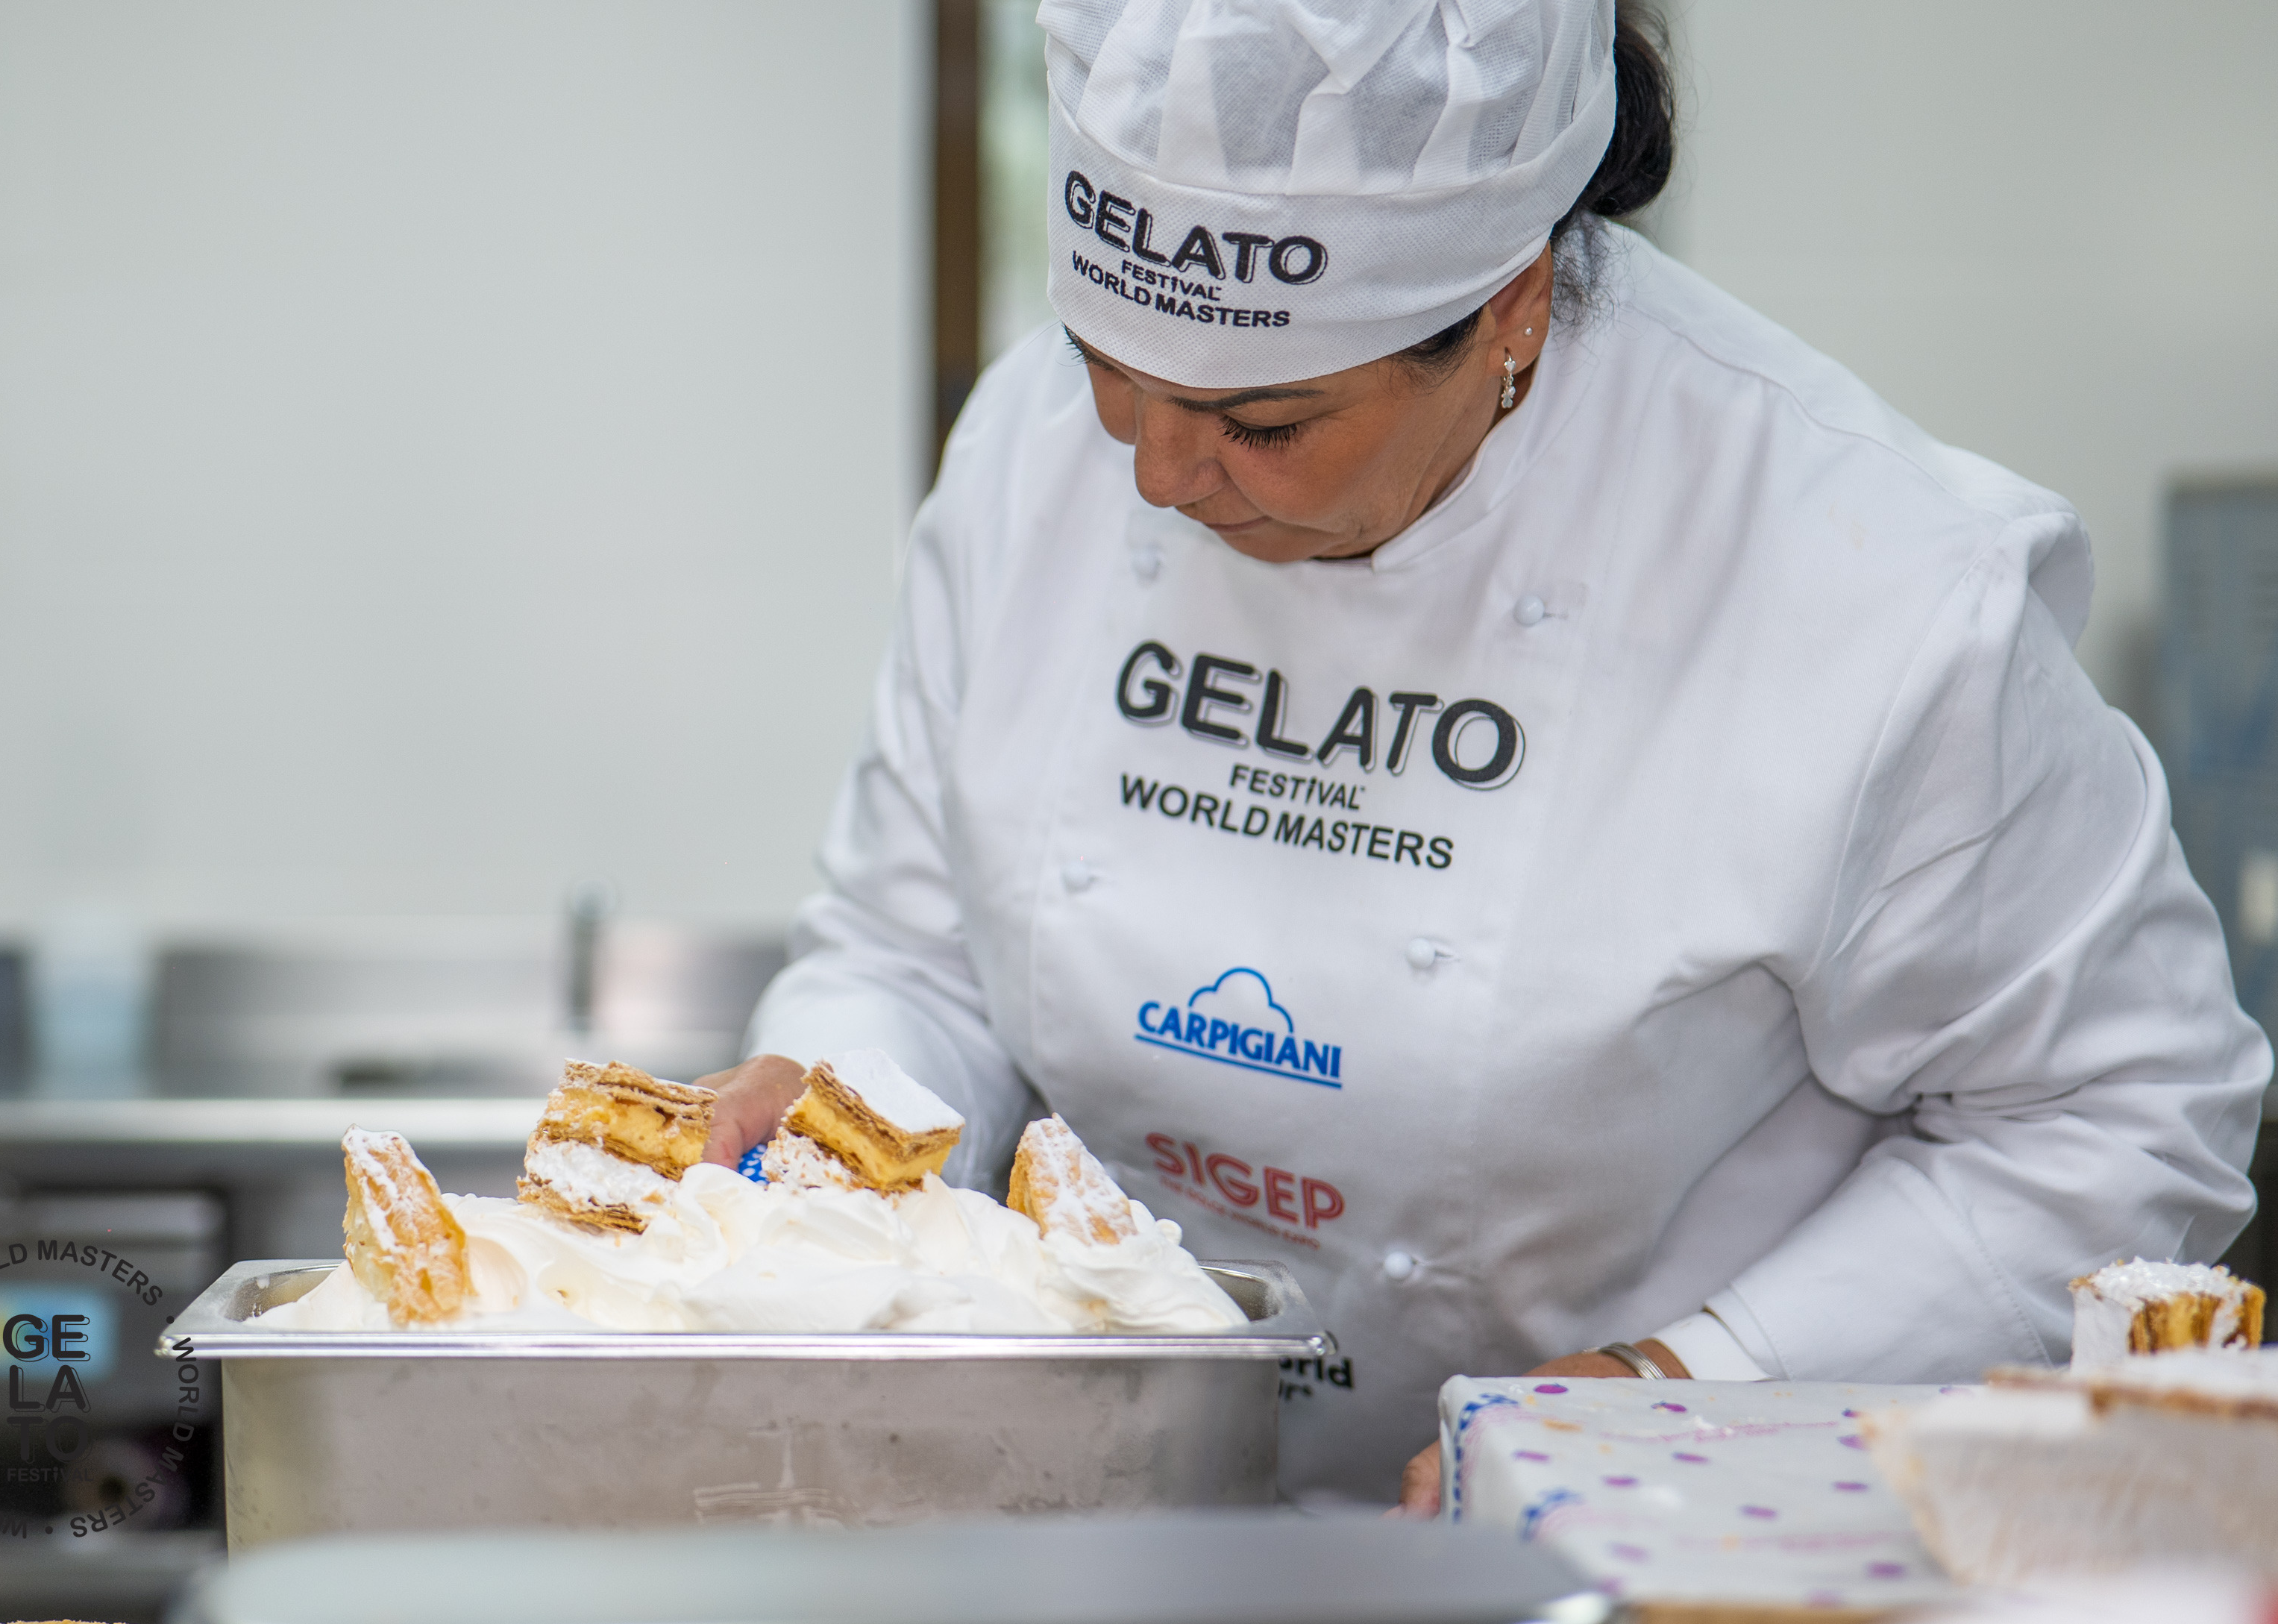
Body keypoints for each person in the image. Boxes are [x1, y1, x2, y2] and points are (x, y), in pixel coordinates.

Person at [693, 0, 2269, 1508]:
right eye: (1112, 374)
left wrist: (1690, 1383)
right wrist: (833, 1107)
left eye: (1265, 422)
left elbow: (2127, 1116)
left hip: (1639, 1543)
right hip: (1107, 1511)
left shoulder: (1870, 588)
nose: (1161, 471)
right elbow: (919, 952)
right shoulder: (1028, 453)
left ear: (1511, 305)